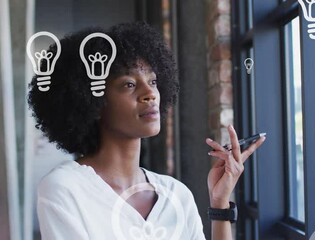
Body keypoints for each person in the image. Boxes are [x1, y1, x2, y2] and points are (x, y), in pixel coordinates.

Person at [28, 22, 266, 240]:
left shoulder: (176, 194)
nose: (150, 94)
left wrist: (219, 203)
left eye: (153, 82)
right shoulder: (65, 188)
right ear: (94, 102)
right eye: (129, 84)